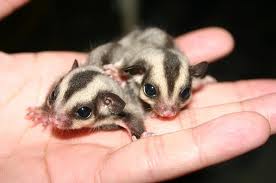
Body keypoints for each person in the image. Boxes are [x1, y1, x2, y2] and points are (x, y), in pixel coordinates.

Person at [1, 0, 276, 182]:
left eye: (182, 95)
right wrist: (46, 108)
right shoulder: (114, 77)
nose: (167, 111)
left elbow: (131, 109)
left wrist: (139, 130)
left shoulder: (133, 81)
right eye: (154, 92)